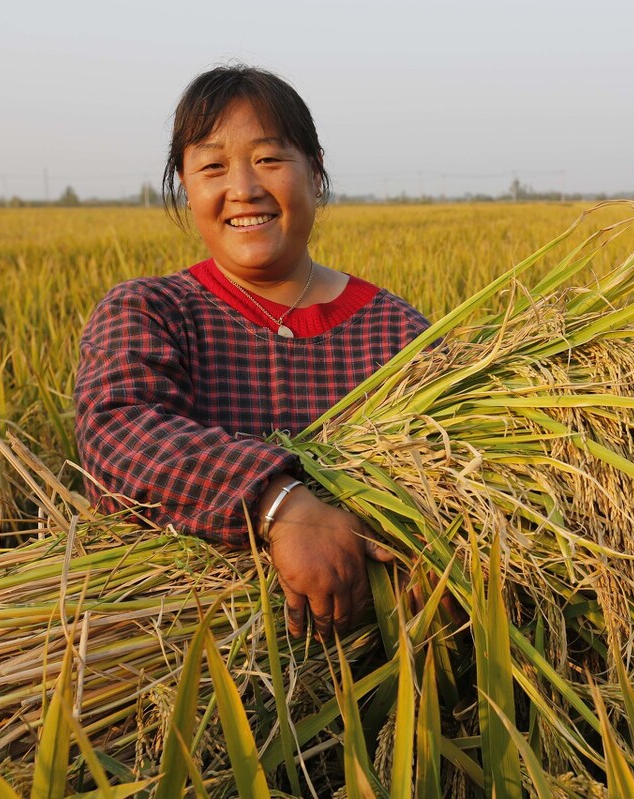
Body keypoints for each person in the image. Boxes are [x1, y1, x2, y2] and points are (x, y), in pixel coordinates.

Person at [74, 65, 431, 642]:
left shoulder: (398, 334)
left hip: (384, 661)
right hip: (190, 653)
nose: (243, 188)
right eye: (212, 167)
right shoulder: (150, 312)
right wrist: (279, 505)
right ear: (185, 186)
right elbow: (116, 438)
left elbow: (457, 471)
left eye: (268, 158)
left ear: (315, 171)